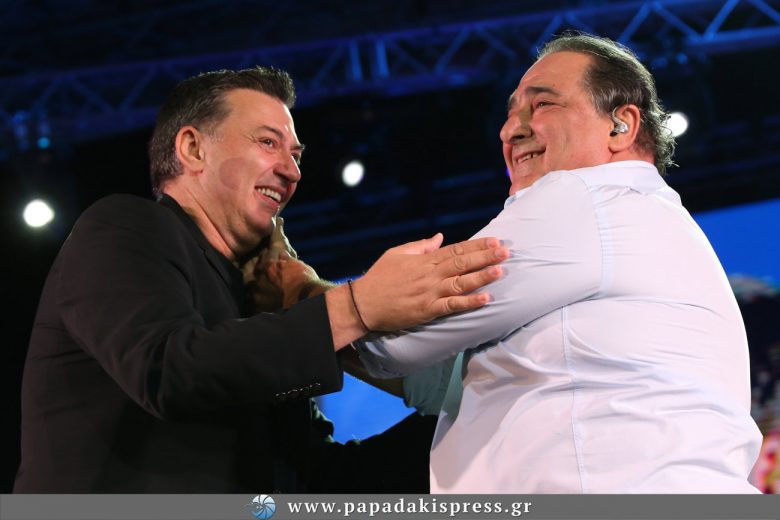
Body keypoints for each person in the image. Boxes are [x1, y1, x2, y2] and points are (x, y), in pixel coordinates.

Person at [13, 66, 509, 492]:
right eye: (268, 143)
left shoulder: (254, 302)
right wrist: (356, 307)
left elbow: (310, 477)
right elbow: (167, 371)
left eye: (296, 155)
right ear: (192, 148)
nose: (291, 171)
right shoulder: (125, 226)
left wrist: (494, 414)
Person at [356, 32, 763, 493]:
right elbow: (447, 378)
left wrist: (310, 297)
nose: (511, 130)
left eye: (543, 105)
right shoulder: (650, 218)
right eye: (510, 113)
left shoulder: (585, 196)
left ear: (620, 125)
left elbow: (394, 343)